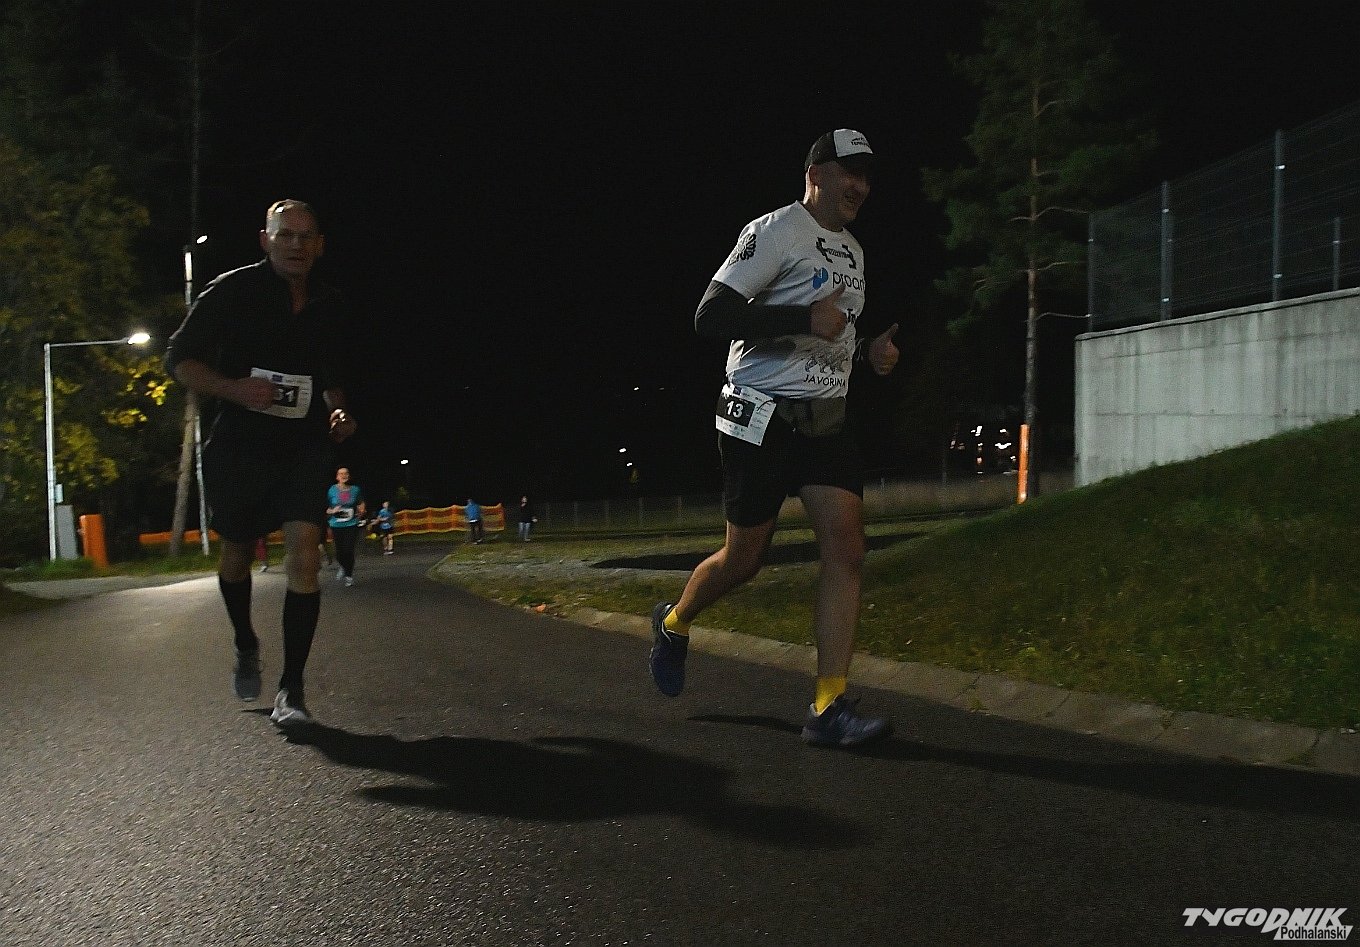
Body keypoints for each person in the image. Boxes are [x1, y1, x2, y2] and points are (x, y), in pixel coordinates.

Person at [649, 130, 900, 748]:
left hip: (825, 420)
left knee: (847, 550)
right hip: (759, 416)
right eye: (850, 172)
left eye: (867, 177)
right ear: (816, 173)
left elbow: (832, 337)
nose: (861, 186)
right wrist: (802, 317)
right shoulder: (775, 231)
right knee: (744, 559)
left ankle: (828, 706)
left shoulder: (854, 253)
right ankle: (675, 621)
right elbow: (710, 315)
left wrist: (867, 354)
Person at [165, 198, 358, 727]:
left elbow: (331, 376)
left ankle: (291, 690)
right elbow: (179, 359)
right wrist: (233, 389)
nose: (296, 245)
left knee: (304, 555)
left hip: (303, 447)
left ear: (320, 245)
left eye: (306, 236)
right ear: (265, 240)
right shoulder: (231, 292)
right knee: (235, 552)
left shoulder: (330, 303)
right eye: (285, 235)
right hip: (241, 446)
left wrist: (338, 410)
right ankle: (245, 641)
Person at [327, 467, 365, 585]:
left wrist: (361, 510)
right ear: (337, 477)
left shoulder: (355, 489)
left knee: (348, 550)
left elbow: (361, 503)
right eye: (341, 474)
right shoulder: (331, 490)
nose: (344, 475)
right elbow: (326, 508)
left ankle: (349, 576)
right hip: (336, 524)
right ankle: (343, 566)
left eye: (346, 473)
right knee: (339, 552)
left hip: (351, 524)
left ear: (349, 476)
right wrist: (332, 511)